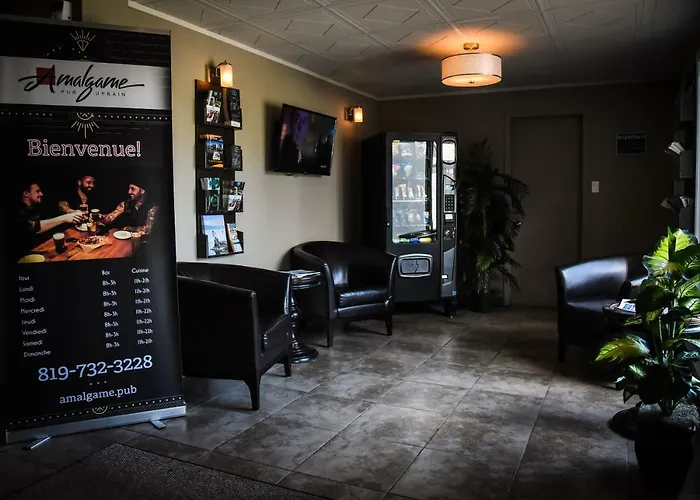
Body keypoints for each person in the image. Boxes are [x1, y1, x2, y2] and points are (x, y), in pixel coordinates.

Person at [16, 181, 84, 257]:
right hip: (27, 255)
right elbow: (31, 227)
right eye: (37, 191)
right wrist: (65, 218)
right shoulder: (18, 211)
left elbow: (59, 205)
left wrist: (69, 211)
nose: (41, 194)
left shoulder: (37, 205)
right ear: (26, 193)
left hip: (45, 247)